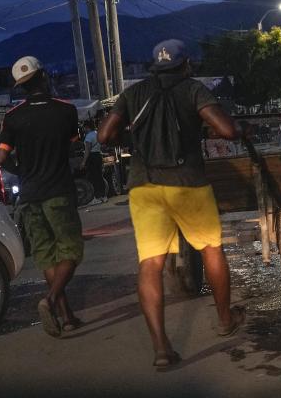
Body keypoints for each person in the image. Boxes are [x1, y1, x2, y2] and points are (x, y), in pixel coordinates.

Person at [98, 39, 247, 369]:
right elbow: (227, 130)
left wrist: (132, 137)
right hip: (188, 184)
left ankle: (162, 349)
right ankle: (225, 320)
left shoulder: (134, 93)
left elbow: (105, 135)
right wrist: (227, 126)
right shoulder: (193, 89)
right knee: (211, 249)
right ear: (186, 64)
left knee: (150, 263)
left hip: (144, 186)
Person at [0, 56, 84, 337]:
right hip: (59, 190)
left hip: (30, 195)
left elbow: (1, 157)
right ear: (44, 76)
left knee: (47, 256)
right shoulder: (65, 111)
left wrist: (22, 172)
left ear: (20, 86)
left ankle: (67, 317)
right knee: (71, 250)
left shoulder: (13, 117)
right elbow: (73, 149)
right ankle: (50, 301)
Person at [81, 120, 108, 202]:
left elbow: (87, 150)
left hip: (92, 157)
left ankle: (97, 197)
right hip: (98, 155)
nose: (83, 129)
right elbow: (103, 145)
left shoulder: (88, 136)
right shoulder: (97, 133)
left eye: (84, 128)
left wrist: (83, 162)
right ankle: (103, 196)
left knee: (94, 177)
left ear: (87, 127)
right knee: (99, 176)